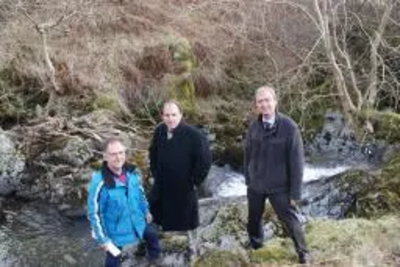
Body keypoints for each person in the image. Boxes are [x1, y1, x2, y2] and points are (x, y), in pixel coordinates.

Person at [244, 86, 310, 264]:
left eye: (267, 100)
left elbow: (297, 163)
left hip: (279, 185)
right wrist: (247, 177)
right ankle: (257, 246)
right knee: (253, 219)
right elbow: (247, 154)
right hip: (256, 184)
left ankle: (303, 252)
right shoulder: (254, 127)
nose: (264, 104)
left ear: (275, 101)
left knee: (289, 219)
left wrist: (295, 193)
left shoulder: (290, 128)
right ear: (256, 104)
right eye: (260, 101)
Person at [149, 100, 212, 254]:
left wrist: (194, 182)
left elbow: (205, 160)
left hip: (185, 185)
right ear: (162, 116)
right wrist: (156, 173)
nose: (170, 119)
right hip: (163, 183)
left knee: (189, 217)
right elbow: (153, 153)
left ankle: (193, 245)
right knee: (156, 210)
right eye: (167, 115)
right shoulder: (159, 131)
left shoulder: (194, 135)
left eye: (174, 115)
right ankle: (158, 240)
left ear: (181, 115)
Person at [87, 137, 161, 267]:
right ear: (105, 157)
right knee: (113, 258)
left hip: (137, 221)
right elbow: (94, 214)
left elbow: (141, 194)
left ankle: (154, 258)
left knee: (152, 234)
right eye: (113, 154)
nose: (118, 157)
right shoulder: (99, 183)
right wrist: (103, 239)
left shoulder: (133, 173)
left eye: (121, 153)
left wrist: (146, 210)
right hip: (115, 231)